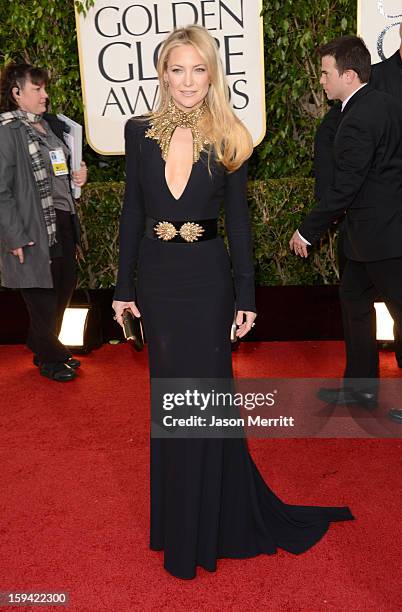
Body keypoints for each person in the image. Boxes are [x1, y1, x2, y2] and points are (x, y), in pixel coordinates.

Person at [113, 25, 353, 580]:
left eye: (199, 69)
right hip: (158, 280)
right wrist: (123, 289)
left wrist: (247, 295)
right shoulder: (137, 131)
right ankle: (179, 524)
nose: (188, 81)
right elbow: (131, 213)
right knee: (171, 406)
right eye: (178, 69)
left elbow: (240, 225)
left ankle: (212, 523)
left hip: (207, 282)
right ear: (162, 73)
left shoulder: (230, 136)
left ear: (212, 74)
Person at [290, 36, 402, 412]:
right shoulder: (382, 103)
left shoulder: (358, 119)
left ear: (349, 75)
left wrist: (308, 229)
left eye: (325, 73)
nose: (321, 81)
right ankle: (361, 389)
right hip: (369, 237)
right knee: (353, 300)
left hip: (385, 238)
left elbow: (346, 186)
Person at [0, 63, 87, 381]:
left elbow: (63, 165)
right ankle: (52, 357)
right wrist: (14, 236)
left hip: (62, 220)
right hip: (30, 227)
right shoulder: (7, 130)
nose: (45, 95)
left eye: (44, 88)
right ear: (16, 93)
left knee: (63, 287)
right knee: (41, 295)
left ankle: (40, 344)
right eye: (37, 89)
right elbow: (1, 189)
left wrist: (80, 174)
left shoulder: (48, 126)